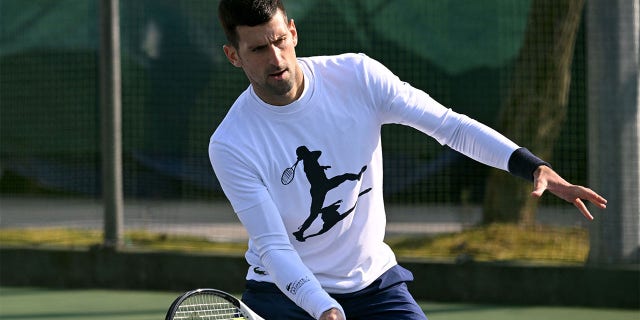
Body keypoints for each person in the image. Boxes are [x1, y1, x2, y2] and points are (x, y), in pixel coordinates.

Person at [209, 1, 608, 319]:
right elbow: (275, 248)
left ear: (293, 32)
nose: (276, 58)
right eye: (259, 49)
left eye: (279, 40)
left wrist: (532, 166)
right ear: (234, 56)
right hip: (284, 294)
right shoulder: (231, 143)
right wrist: (324, 308)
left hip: (373, 283)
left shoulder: (358, 77)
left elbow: (451, 127)